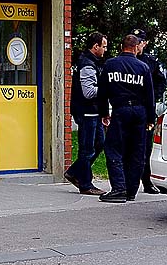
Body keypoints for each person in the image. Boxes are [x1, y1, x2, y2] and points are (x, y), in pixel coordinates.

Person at [97, 34, 156, 203]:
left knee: (113, 148)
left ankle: (119, 189)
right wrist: (150, 119)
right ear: (136, 47)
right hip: (140, 112)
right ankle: (131, 190)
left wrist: (104, 113)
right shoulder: (143, 67)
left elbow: (102, 92)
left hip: (121, 110)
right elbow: (149, 96)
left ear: (121, 46)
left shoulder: (110, 64)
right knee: (137, 151)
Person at [65, 32, 108, 195]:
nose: (105, 49)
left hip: (94, 112)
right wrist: (107, 89)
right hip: (87, 112)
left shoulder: (94, 62)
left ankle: (74, 172)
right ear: (95, 46)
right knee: (87, 148)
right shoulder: (87, 64)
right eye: (103, 46)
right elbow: (88, 92)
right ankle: (85, 184)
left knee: (99, 144)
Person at [131, 28, 167, 195]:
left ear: (144, 43)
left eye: (140, 41)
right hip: (129, 108)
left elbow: (160, 81)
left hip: (145, 109)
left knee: (145, 148)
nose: (138, 44)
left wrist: (154, 98)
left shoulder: (150, 62)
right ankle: (127, 182)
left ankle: (146, 181)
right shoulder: (125, 60)